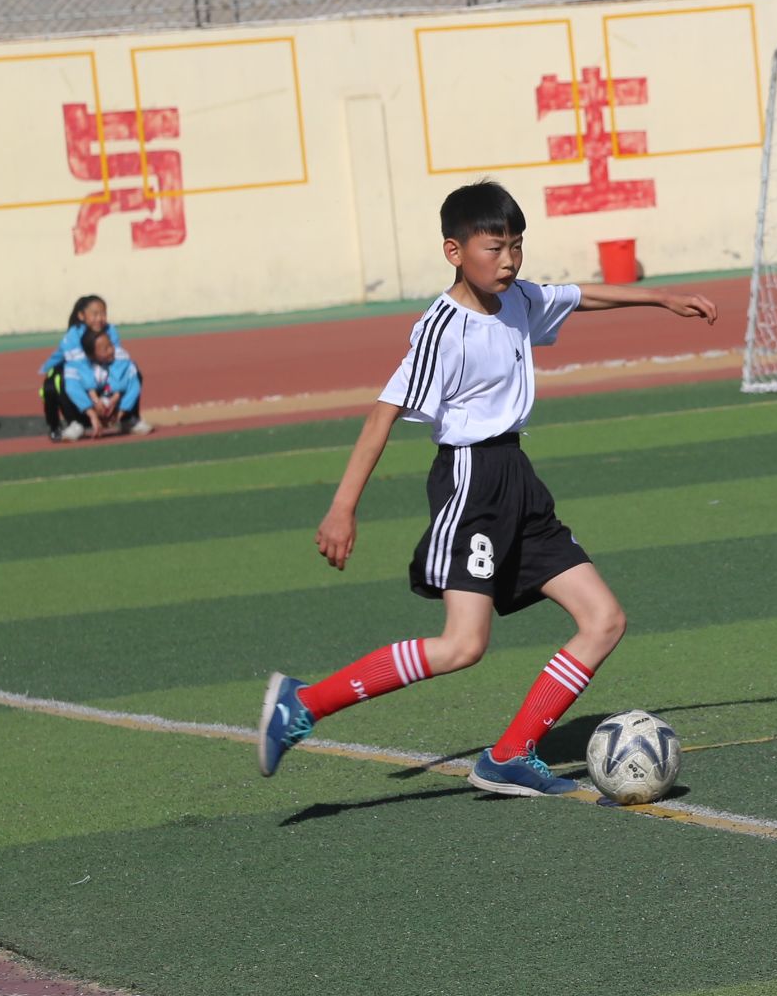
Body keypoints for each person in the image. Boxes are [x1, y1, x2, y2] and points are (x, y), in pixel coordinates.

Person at [256, 181, 718, 798]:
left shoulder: (519, 298)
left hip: (519, 481)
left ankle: (509, 755)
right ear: (455, 251)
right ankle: (303, 704)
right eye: (494, 247)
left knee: (603, 619)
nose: (509, 260)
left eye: (517, 246)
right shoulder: (441, 329)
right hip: (471, 481)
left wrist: (663, 298)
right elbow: (381, 416)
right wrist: (342, 509)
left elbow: (580, 295)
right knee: (462, 645)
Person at [39, 295, 123, 438]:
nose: (100, 318)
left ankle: (128, 419)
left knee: (131, 373)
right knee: (53, 384)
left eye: (103, 314)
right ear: (81, 316)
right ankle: (70, 424)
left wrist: (113, 398)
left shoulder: (110, 331)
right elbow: (80, 368)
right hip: (81, 381)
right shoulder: (73, 336)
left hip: (101, 380)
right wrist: (95, 401)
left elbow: (119, 362)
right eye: (95, 314)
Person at [57, 327, 150, 440]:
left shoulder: (120, 357)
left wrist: (119, 410)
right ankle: (77, 424)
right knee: (62, 380)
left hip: (114, 406)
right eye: (105, 349)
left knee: (135, 373)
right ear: (91, 355)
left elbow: (132, 385)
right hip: (86, 409)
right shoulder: (77, 362)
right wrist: (92, 411)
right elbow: (73, 388)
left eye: (110, 345)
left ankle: (127, 420)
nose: (111, 350)